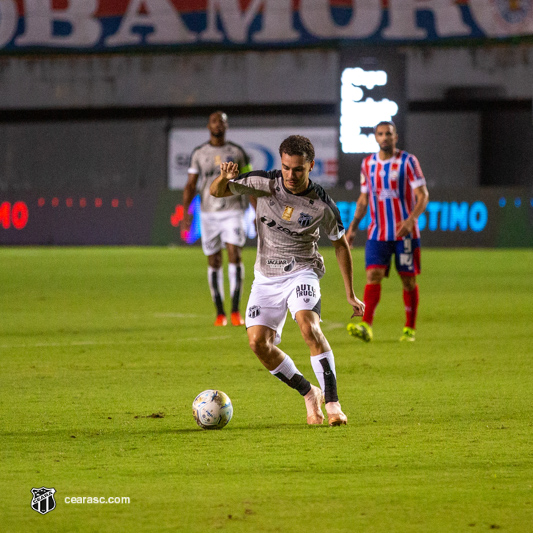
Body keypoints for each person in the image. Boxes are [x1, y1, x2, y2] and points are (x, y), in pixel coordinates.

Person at [210, 135, 364, 426]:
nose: (290, 175)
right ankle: (309, 393)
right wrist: (224, 178)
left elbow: (341, 245)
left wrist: (350, 294)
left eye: (298, 169)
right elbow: (217, 192)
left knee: (308, 324)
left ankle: (332, 403)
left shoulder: (322, 205)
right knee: (258, 343)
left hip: (302, 271)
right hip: (266, 277)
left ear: (311, 166)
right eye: (286, 168)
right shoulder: (263, 182)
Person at [345, 121, 429, 342]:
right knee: (373, 275)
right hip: (377, 232)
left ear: (396, 137)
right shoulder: (367, 164)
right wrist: (353, 227)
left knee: (408, 280)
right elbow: (364, 199)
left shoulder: (408, 162)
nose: (385, 138)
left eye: (388, 134)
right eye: (380, 134)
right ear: (375, 138)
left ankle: (409, 328)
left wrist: (411, 220)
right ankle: (366, 325)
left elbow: (423, 196)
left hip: (405, 234)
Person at [183, 111, 254, 327]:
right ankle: (220, 312)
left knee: (234, 253)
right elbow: (191, 185)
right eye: (214, 121)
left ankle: (235, 310)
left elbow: (249, 181)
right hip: (208, 213)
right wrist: (186, 212)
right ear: (208, 126)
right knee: (213, 260)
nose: (218, 125)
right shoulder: (199, 153)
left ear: (226, 126)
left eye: (222, 122)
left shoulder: (237, 153)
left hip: (233, 209)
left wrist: (257, 210)